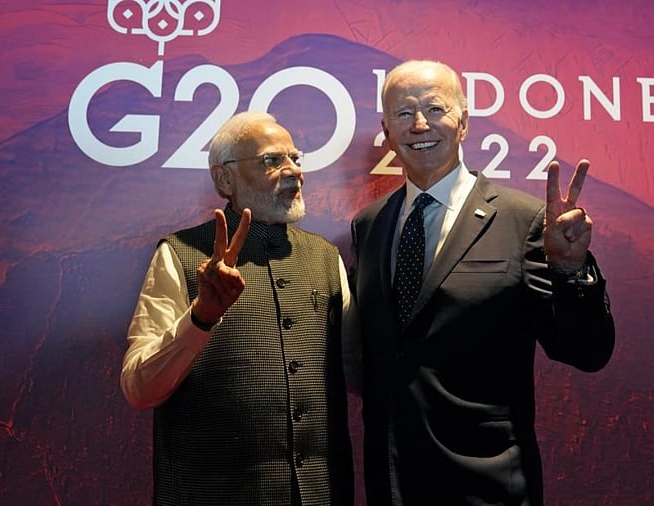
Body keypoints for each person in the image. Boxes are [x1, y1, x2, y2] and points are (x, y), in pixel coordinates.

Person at [349, 60, 616, 505]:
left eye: (435, 109)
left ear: (464, 122)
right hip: (393, 482)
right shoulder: (369, 224)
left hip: (487, 483)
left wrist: (571, 270)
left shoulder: (523, 219)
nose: (419, 125)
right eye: (403, 114)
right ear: (386, 130)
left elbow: (586, 353)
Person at [121, 111, 355, 505]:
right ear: (224, 179)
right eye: (271, 160)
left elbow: (359, 367)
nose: (293, 171)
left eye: (296, 159)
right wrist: (201, 318)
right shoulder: (178, 255)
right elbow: (139, 389)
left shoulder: (325, 258)